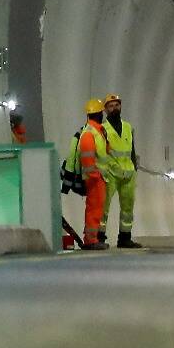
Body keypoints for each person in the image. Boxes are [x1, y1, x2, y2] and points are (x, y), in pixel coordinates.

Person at [100, 93, 143, 250]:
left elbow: (132, 149)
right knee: (104, 206)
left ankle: (125, 238)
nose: (114, 108)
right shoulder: (103, 129)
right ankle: (100, 237)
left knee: (128, 208)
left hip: (128, 173)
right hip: (111, 172)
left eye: (116, 105)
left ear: (120, 106)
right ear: (105, 110)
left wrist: (134, 166)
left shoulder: (128, 127)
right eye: (110, 106)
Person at [70, 98, 110, 250]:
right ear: (99, 114)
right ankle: (90, 240)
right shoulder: (89, 133)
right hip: (94, 177)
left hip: (98, 176)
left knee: (97, 208)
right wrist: (94, 175)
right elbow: (87, 158)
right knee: (94, 208)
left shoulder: (97, 131)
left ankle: (92, 239)